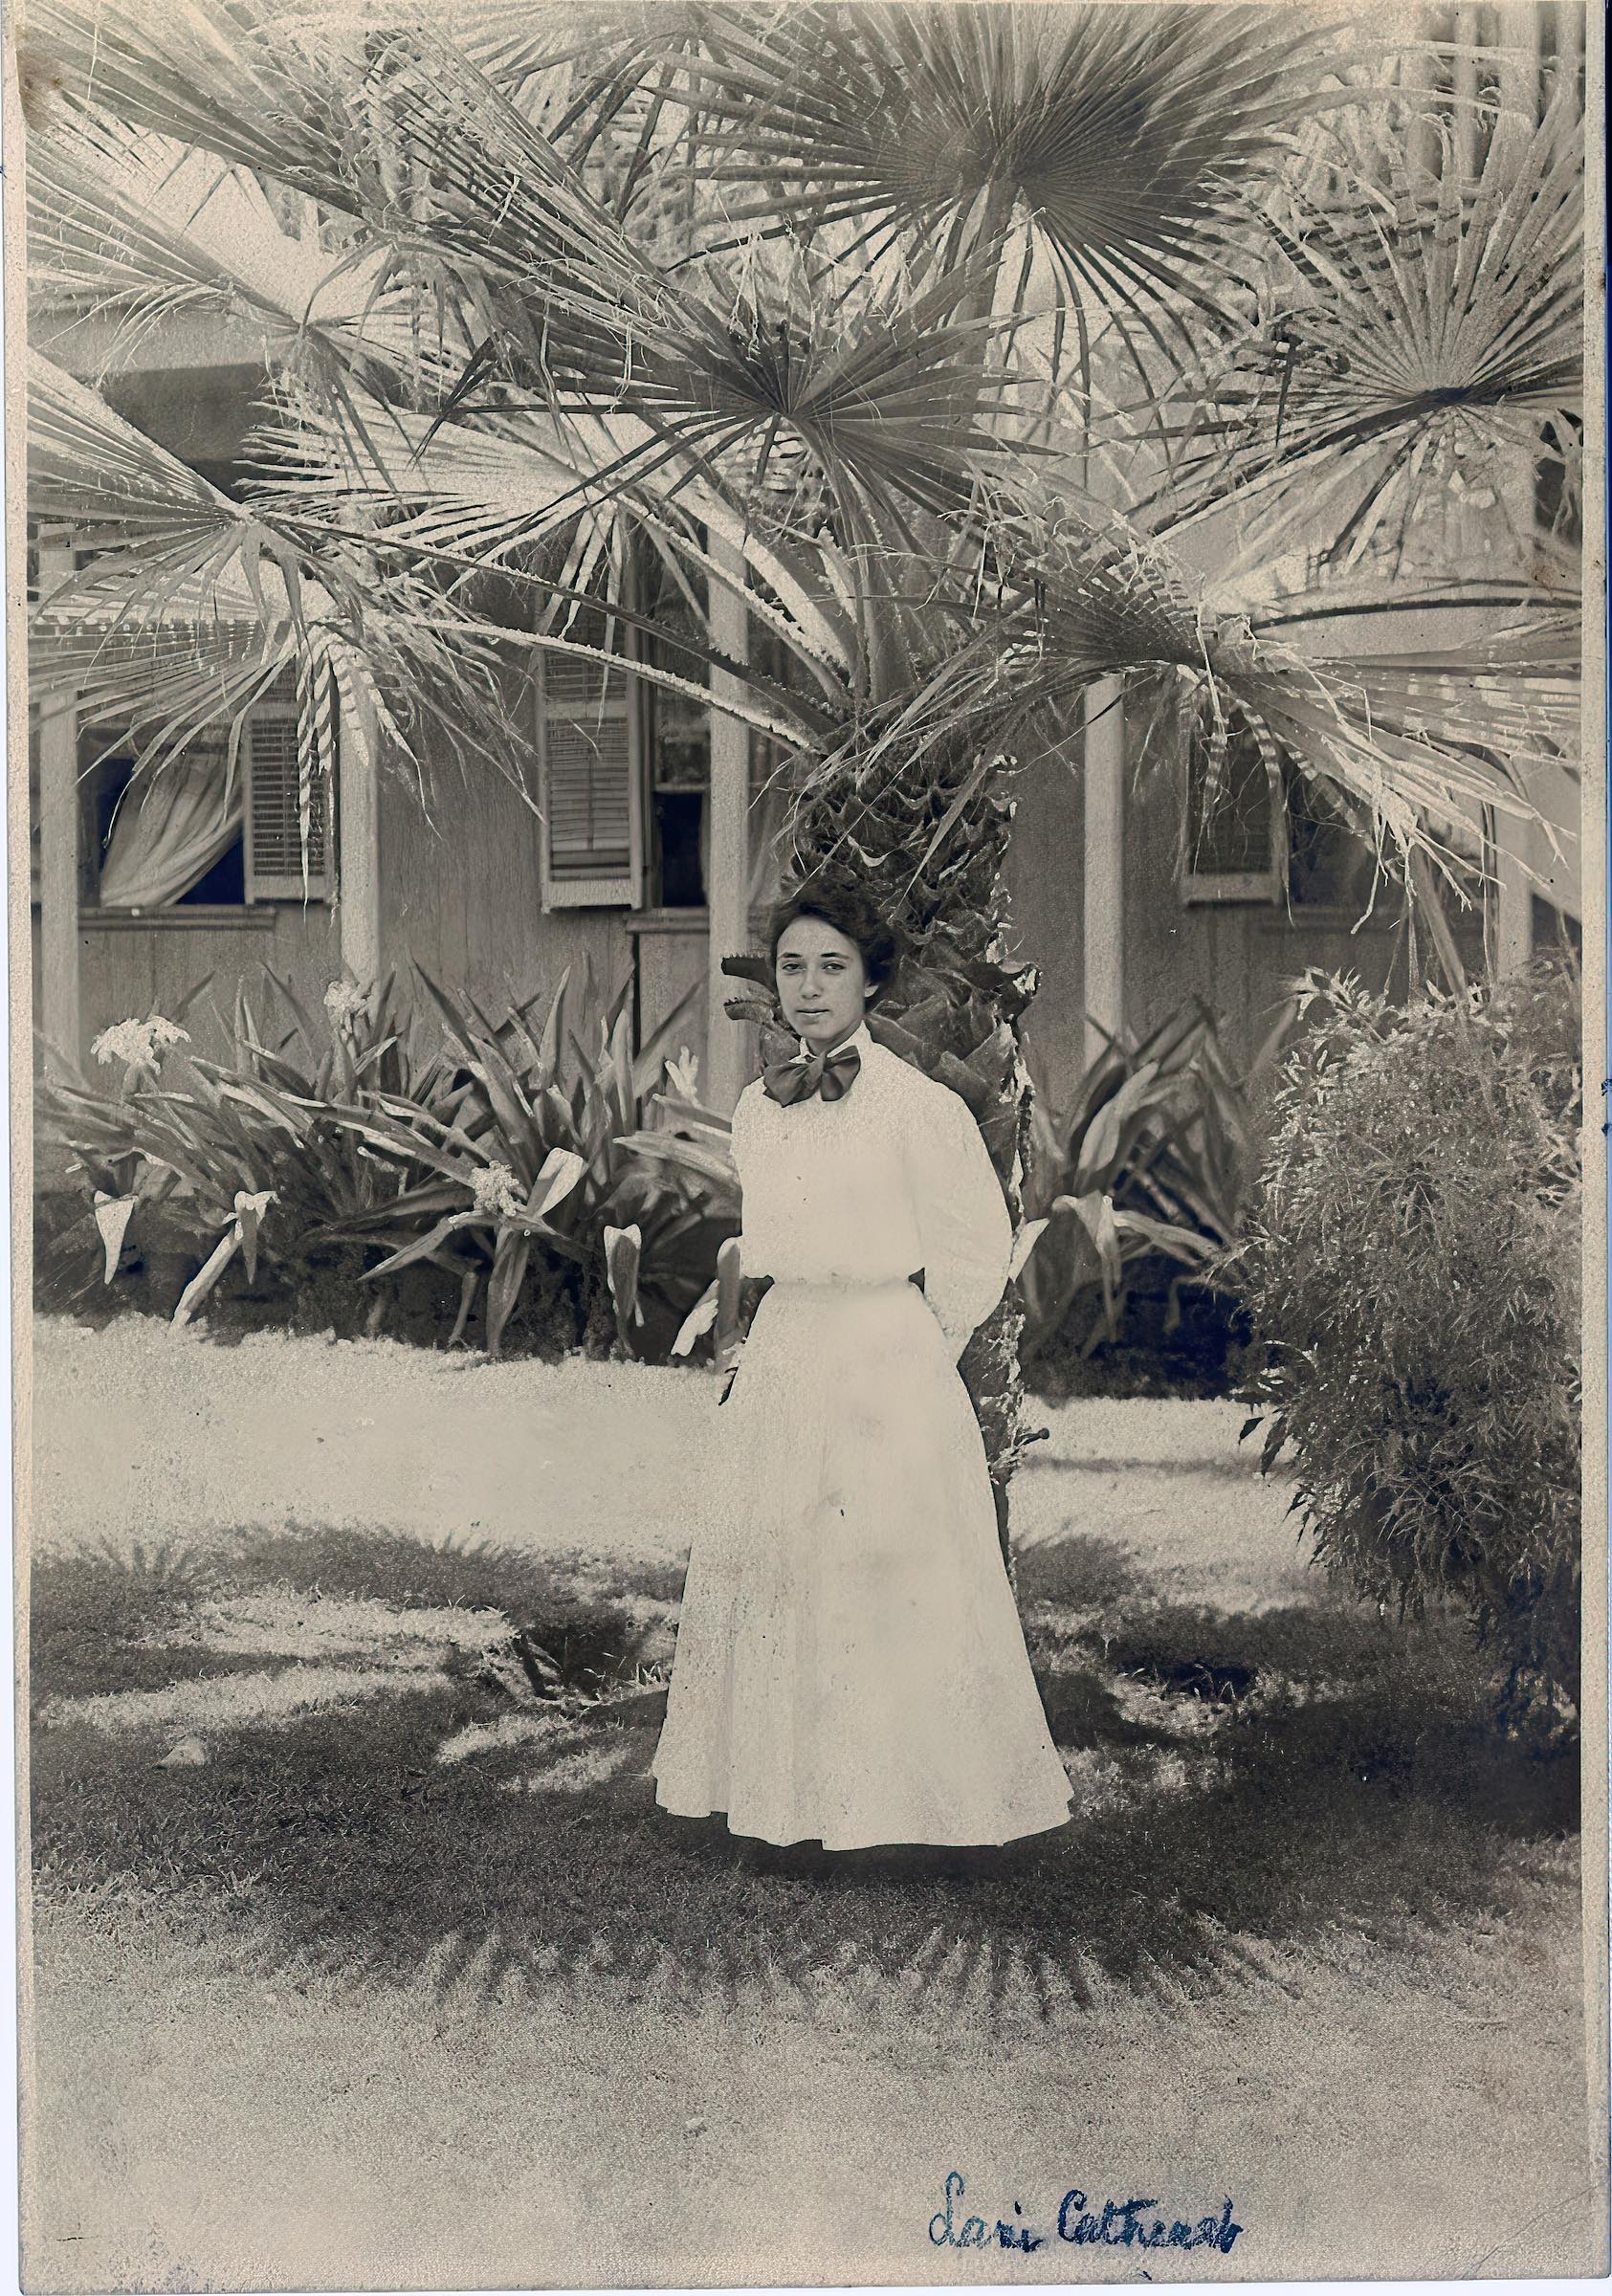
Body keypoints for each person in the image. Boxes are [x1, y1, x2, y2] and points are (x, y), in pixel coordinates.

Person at [651, 880, 1073, 1853]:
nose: (808, 989)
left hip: (887, 1353)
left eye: (831, 968)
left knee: (887, 1575)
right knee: (788, 1571)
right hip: (789, 1349)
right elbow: (768, 1239)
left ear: (871, 981)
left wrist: (911, 1347)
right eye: (792, 968)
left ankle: (912, 1814)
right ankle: (785, 1806)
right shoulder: (760, 1108)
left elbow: (974, 1250)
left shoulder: (918, 1108)